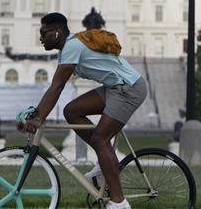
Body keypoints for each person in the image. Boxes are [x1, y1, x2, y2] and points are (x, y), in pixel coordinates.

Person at [18, 12, 147, 209]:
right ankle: (105, 164)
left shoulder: (72, 46)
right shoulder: (68, 47)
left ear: (57, 32)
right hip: (115, 88)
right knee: (72, 112)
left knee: (99, 139)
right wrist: (37, 113)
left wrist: (38, 118)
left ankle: (119, 203)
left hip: (128, 89)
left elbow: (57, 87)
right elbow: (56, 87)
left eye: (44, 33)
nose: (41, 38)